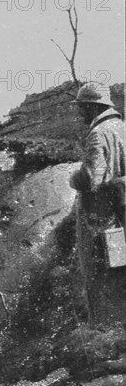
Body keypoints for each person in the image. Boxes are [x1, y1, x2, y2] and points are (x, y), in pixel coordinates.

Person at [69, 81, 125, 328]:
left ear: (92, 107)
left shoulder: (97, 134)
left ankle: (105, 329)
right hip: (120, 211)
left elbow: (94, 177)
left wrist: (74, 178)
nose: (79, 113)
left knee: (100, 273)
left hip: (102, 217)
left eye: (82, 107)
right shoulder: (121, 127)